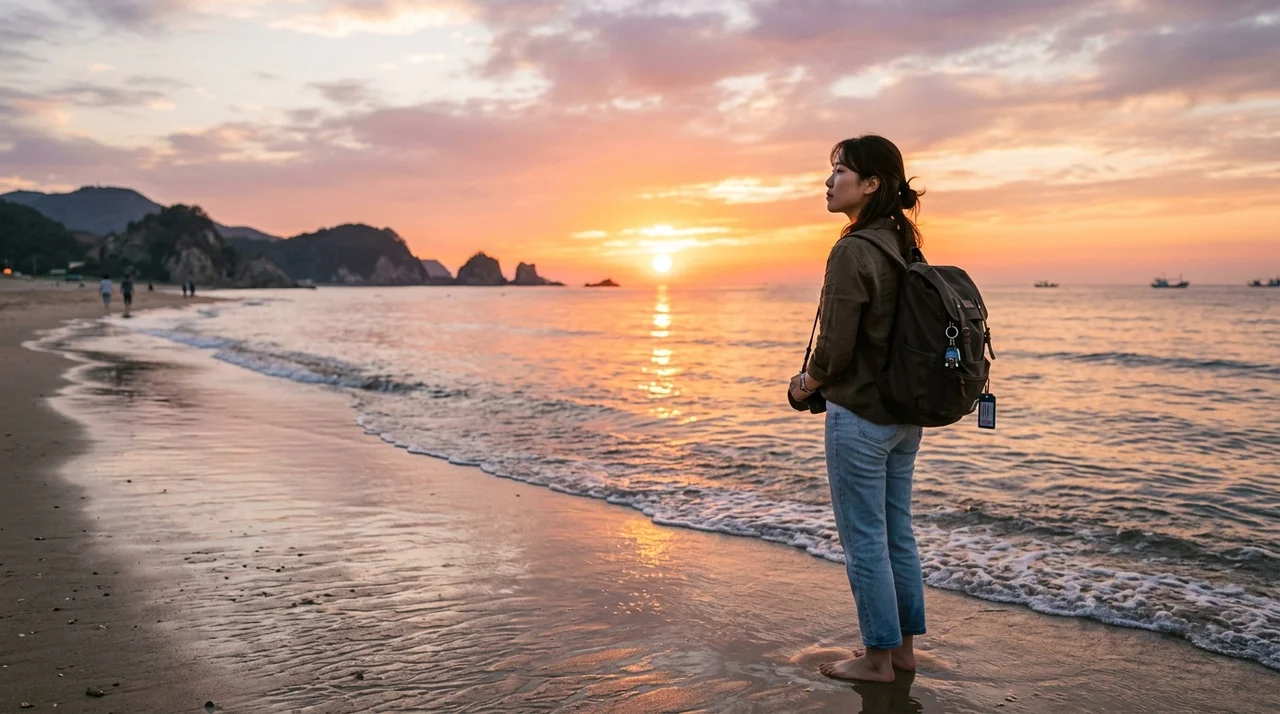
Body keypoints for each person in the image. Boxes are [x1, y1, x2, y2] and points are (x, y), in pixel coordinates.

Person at [788, 134, 926, 684]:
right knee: (898, 534)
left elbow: (835, 348)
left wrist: (805, 384)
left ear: (870, 184)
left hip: (862, 418)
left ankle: (876, 661)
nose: (828, 180)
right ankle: (903, 651)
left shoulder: (852, 249)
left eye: (839, 170)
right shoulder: (901, 243)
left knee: (864, 539)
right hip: (903, 416)